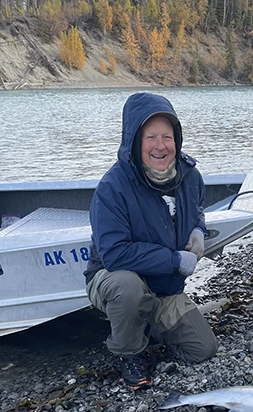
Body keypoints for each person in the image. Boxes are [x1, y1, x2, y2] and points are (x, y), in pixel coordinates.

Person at [85, 92, 217, 389]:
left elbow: (197, 208)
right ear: (134, 140)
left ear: (177, 139)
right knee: (128, 287)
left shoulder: (190, 175)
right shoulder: (112, 188)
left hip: (163, 288)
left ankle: (147, 326)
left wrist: (199, 229)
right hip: (112, 278)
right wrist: (174, 260)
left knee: (203, 350)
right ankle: (130, 352)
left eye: (167, 137)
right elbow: (115, 255)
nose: (161, 146)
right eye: (151, 137)